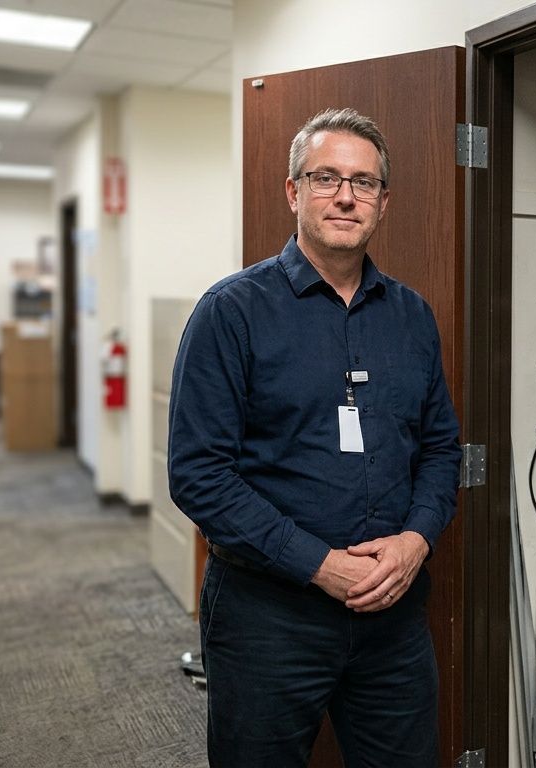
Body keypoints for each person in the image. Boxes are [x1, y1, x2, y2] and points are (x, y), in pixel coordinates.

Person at [167, 107, 461, 767]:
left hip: (393, 617)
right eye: (326, 177)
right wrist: (320, 565)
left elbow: (441, 448)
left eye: (364, 182)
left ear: (384, 203)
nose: (346, 195)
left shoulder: (411, 316)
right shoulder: (231, 313)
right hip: (269, 618)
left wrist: (416, 541)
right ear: (294, 192)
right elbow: (199, 475)